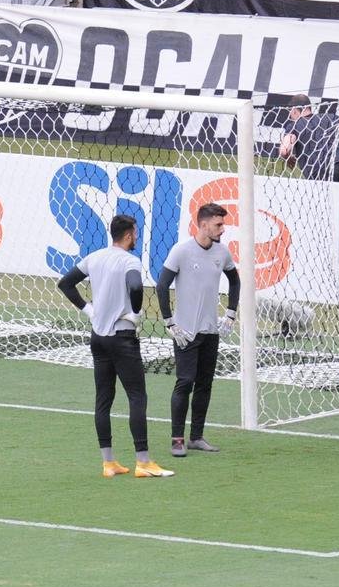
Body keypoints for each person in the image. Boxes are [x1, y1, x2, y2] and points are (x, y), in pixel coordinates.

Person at [57, 214, 173, 478]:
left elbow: (65, 283)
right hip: (122, 337)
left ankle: (108, 462)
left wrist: (88, 310)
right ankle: (143, 462)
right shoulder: (130, 261)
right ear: (129, 234)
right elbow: (134, 285)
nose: (137, 237)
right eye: (135, 232)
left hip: (98, 337)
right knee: (137, 397)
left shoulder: (95, 257)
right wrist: (135, 311)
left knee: (103, 399)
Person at [156, 202, 241, 458]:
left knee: (205, 384)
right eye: (218, 224)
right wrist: (170, 321)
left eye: (223, 224)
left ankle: (196, 437)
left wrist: (230, 313)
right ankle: (177, 440)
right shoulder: (181, 251)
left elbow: (235, 280)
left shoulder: (221, 253)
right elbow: (162, 286)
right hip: (186, 332)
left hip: (210, 331)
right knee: (184, 383)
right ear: (203, 224)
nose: (222, 229)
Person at [278, 93, 339, 295]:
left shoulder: (294, 125)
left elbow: (284, 150)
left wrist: (290, 156)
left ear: (295, 111)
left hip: (323, 173)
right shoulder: (330, 117)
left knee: (333, 220)